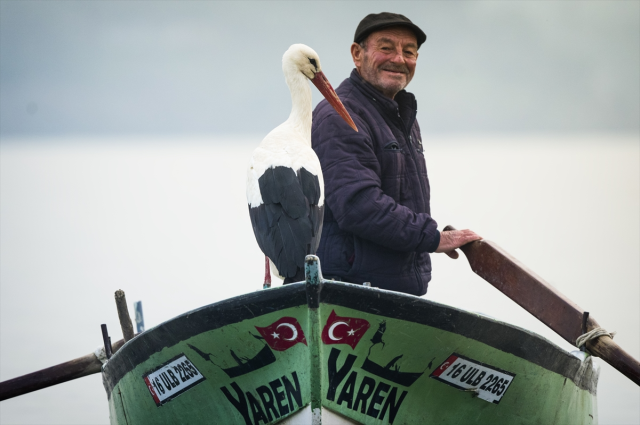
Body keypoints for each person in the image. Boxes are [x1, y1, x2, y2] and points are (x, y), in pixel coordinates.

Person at [311, 12, 481, 296]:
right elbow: (358, 205)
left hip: (391, 292)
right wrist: (432, 238)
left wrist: (430, 238)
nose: (399, 59)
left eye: (409, 51)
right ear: (357, 54)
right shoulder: (340, 115)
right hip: (347, 294)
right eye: (386, 48)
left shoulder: (402, 116)